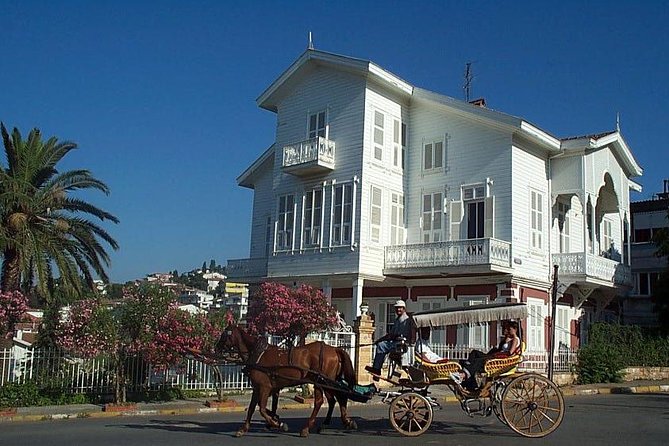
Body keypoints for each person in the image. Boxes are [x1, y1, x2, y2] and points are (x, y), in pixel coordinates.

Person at [450, 320, 521, 390]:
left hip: (499, 358)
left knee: (476, 361)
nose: (508, 330)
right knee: (470, 357)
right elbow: (502, 347)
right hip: (496, 355)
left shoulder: (515, 339)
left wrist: (498, 354)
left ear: (515, 329)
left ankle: (463, 375)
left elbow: (510, 352)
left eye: (510, 329)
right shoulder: (509, 339)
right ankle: (470, 382)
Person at [365, 299, 412, 377]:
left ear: (404, 309)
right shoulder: (398, 320)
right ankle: (377, 369)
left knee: (381, 346)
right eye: (397, 308)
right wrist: (382, 339)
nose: (398, 310)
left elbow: (395, 335)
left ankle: (377, 369)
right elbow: (391, 334)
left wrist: (382, 339)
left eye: (400, 308)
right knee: (381, 344)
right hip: (396, 342)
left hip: (399, 344)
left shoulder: (404, 320)